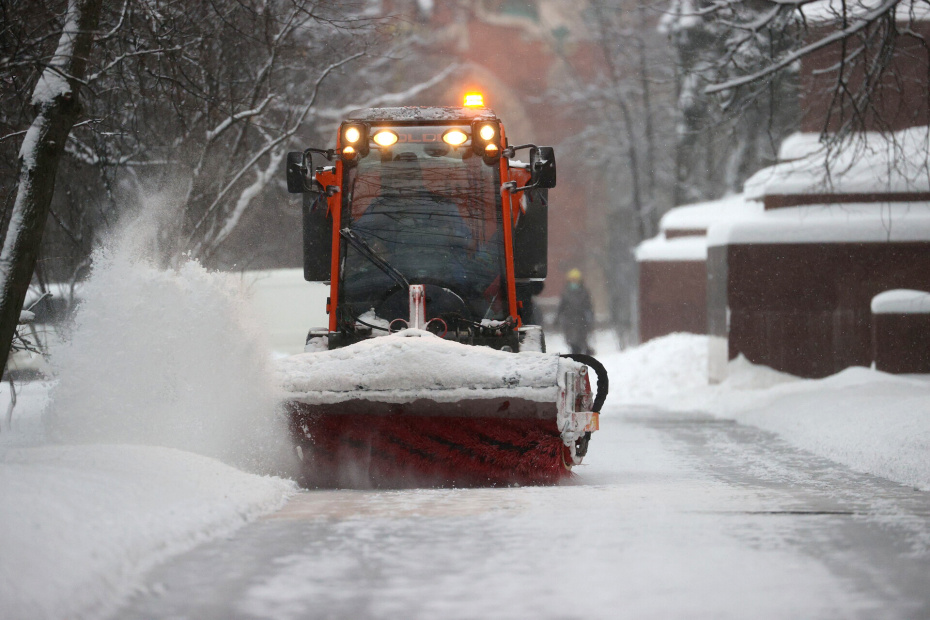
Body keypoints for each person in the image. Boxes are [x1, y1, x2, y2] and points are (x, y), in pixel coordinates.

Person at [557, 268, 594, 354]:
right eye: (572, 280)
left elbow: (589, 306)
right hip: (569, 320)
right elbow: (561, 306)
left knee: (581, 339)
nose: (574, 282)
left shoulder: (584, 292)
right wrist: (557, 318)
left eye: (575, 280)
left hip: (581, 320)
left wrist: (590, 317)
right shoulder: (566, 292)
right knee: (571, 340)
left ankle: (582, 351)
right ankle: (575, 351)